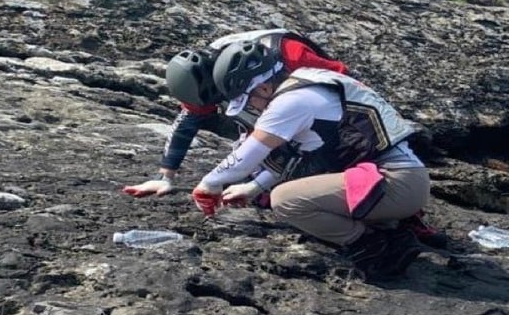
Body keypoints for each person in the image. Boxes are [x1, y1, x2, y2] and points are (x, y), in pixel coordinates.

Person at [127, 29, 448, 249]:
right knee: (271, 178)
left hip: (344, 119)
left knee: (321, 167)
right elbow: (189, 119)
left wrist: (218, 181)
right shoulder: (209, 75)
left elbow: (336, 97)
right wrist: (165, 176)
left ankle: (404, 220)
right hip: (282, 107)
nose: (217, 110)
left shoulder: (286, 58)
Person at [191, 39, 431, 280]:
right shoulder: (310, 82)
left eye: (248, 100)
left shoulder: (291, 101)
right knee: (297, 188)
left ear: (263, 88)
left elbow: (250, 154)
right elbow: (301, 156)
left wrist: (209, 184)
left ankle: (372, 245)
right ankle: (393, 232)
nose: (252, 108)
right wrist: (253, 187)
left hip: (394, 183)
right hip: (403, 180)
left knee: (285, 200)